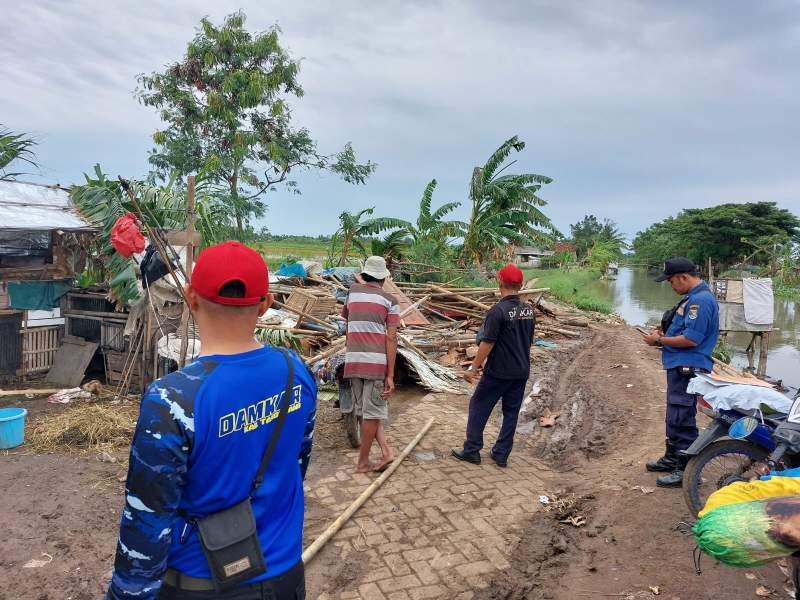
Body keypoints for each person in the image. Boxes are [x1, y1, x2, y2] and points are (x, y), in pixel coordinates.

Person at [106, 241, 317, 600]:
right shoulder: (295, 371)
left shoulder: (173, 399)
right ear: (265, 305)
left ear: (190, 297)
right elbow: (298, 462)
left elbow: (147, 523)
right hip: (285, 576)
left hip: (202, 585)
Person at [642, 257, 719, 488]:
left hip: (689, 366)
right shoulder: (692, 298)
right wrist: (663, 333)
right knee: (674, 413)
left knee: (683, 415)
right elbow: (683, 329)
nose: (671, 286)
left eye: (671, 281)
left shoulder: (701, 301)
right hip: (679, 365)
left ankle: (685, 469)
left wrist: (659, 341)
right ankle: (672, 457)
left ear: (683, 277)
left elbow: (691, 338)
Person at [452, 263, 535, 468]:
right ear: (521, 285)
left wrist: (473, 368)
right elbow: (528, 341)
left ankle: (472, 450)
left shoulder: (497, 311)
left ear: (500, 283)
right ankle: (501, 454)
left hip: (498, 372)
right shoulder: (529, 311)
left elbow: (487, 342)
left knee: (478, 406)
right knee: (511, 413)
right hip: (521, 371)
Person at [342, 256, 399, 473]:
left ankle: (386, 451)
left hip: (354, 360)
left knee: (368, 412)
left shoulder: (352, 291)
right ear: (384, 278)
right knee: (372, 413)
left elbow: (348, 324)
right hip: (376, 364)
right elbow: (391, 338)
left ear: (365, 275)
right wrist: (390, 375)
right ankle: (363, 462)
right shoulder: (390, 301)